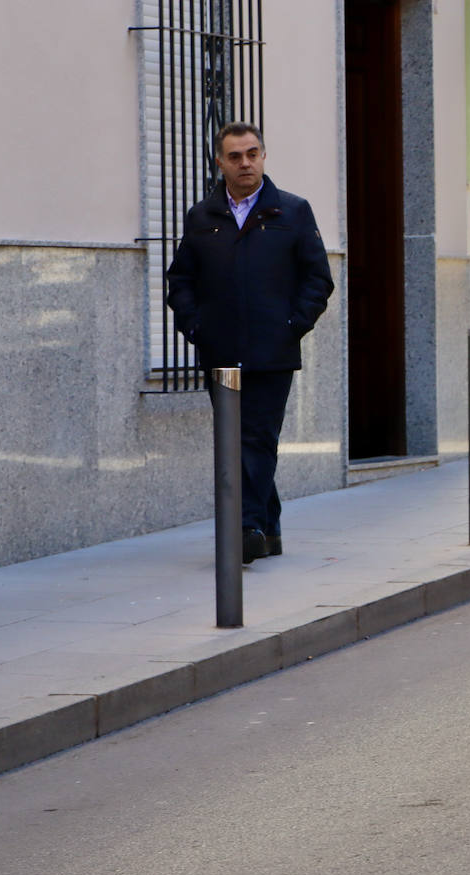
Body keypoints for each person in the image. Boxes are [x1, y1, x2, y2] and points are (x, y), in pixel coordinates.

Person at [167, 122, 334, 562]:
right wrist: (197, 328)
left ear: (263, 156)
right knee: (236, 440)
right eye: (236, 156)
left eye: (253, 153)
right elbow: (180, 279)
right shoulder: (202, 217)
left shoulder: (293, 212)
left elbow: (318, 278)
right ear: (219, 162)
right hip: (219, 351)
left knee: (256, 437)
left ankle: (246, 529)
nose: (246, 163)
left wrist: (291, 325)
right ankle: (270, 528)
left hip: (272, 353)